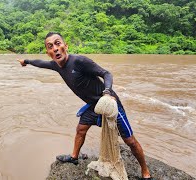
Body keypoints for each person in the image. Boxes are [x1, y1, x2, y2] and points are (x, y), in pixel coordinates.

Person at [17, 32, 152, 179]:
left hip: (109, 103)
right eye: (50, 47)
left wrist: (107, 92)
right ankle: (74, 157)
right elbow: (40, 63)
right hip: (93, 106)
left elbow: (106, 73)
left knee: (130, 141)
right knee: (81, 129)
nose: (55, 48)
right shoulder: (56, 66)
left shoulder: (79, 61)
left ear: (65, 46)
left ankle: (145, 172)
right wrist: (27, 61)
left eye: (58, 43)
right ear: (48, 53)